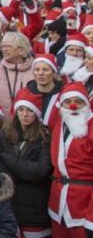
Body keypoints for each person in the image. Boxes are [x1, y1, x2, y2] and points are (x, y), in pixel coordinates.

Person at [0, 87, 52, 236]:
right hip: (8, 204)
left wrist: (7, 159)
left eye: (29, 111)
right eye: (21, 109)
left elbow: (40, 171)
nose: (24, 115)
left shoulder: (44, 138)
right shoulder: (2, 135)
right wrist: (24, 171)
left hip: (34, 208)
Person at [47, 82, 93, 237]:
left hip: (84, 205)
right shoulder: (59, 126)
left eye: (78, 102)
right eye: (68, 102)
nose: (73, 106)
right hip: (58, 203)